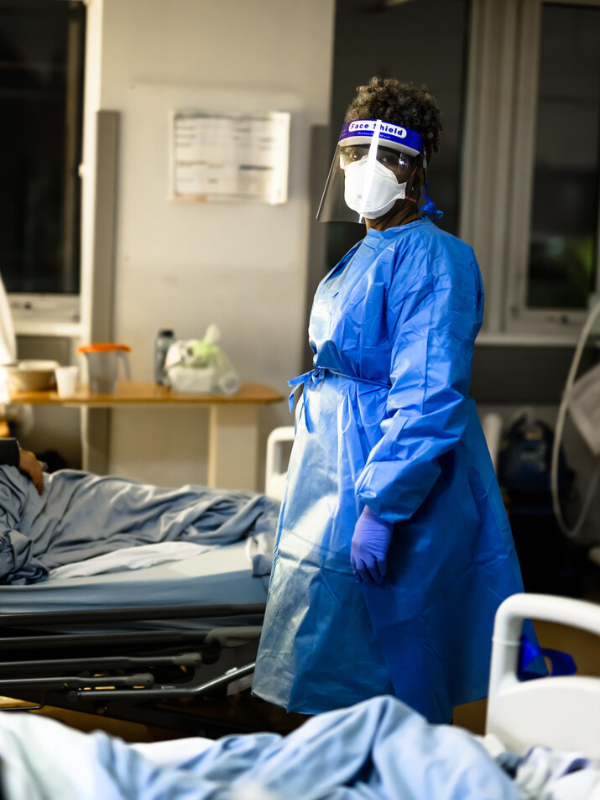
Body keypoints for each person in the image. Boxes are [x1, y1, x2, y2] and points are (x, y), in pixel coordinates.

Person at [252, 77, 527, 724]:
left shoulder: (436, 260)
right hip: (336, 468)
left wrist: (381, 505)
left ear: (420, 168)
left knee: (391, 660)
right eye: (355, 152)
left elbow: (428, 393)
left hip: (392, 479)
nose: (368, 169)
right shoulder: (367, 250)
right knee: (328, 649)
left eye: (391, 156)